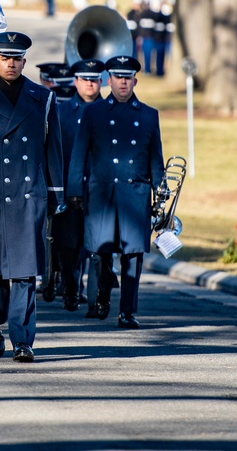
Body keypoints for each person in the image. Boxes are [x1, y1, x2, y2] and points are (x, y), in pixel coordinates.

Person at [0, 31, 63, 363]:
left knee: (23, 272)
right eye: (5, 58)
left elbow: (53, 151)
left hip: (28, 196)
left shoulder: (42, 98)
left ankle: (22, 339)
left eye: (17, 58)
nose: (11, 63)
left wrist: (56, 194)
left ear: (24, 61)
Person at [65, 55, 164, 329]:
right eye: (118, 77)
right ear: (109, 80)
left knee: (133, 255)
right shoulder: (93, 113)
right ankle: (103, 292)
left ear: (135, 80)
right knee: (101, 252)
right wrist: (74, 190)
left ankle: (127, 311)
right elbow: (79, 155)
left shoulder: (148, 115)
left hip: (135, 193)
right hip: (102, 194)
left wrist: (161, 190)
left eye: (127, 77)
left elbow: (155, 158)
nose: (123, 82)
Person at [53, 59, 112, 314]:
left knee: (102, 246)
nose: (90, 83)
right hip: (70, 188)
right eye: (85, 79)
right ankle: (69, 286)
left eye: (95, 79)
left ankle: (99, 296)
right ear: (75, 81)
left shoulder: (111, 110)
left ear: (101, 81)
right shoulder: (62, 112)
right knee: (69, 244)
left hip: (102, 189)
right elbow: (56, 152)